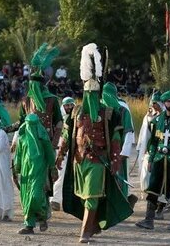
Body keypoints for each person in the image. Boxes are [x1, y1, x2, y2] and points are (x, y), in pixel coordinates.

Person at [56, 43, 131, 243]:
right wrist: (60, 155)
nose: (89, 96)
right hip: (79, 162)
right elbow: (66, 133)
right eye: (87, 93)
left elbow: (115, 139)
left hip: (99, 160)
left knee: (92, 196)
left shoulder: (108, 113)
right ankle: (94, 224)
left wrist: (115, 163)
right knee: (84, 196)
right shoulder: (76, 111)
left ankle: (85, 232)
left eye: (93, 93)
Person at [135, 89, 170, 231]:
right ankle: (149, 220)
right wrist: (150, 159)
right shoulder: (157, 120)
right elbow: (154, 142)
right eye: (168, 101)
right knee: (153, 188)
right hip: (159, 160)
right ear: (164, 103)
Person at [14, 113, 57, 234]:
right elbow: (18, 155)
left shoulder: (43, 138)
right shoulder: (22, 138)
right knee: (26, 198)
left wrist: (53, 168)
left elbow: (50, 153)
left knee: (35, 196)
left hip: (39, 170)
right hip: (25, 173)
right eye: (29, 125)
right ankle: (29, 225)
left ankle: (42, 216)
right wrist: (16, 169)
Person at [101, 82, 137, 205]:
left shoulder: (122, 110)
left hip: (118, 149)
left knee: (119, 176)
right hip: (103, 149)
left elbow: (128, 132)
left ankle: (122, 201)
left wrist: (124, 152)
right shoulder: (100, 108)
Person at [50, 96, 76, 211]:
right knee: (59, 174)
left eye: (71, 105)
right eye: (67, 105)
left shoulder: (76, 117)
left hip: (73, 149)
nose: (69, 107)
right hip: (59, 149)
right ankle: (54, 199)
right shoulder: (58, 117)